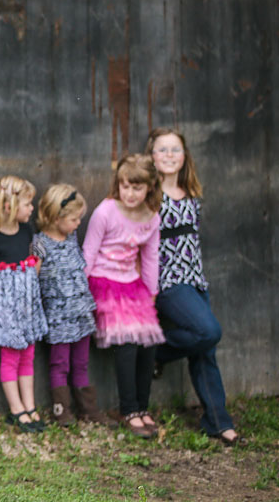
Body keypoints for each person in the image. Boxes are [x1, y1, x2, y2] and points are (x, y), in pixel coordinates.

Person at [145, 128, 240, 446]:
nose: (169, 155)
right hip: (167, 283)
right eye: (162, 150)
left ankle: (217, 422)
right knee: (208, 332)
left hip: (195, 280)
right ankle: (155, 351)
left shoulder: (191, 193)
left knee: (205, 350)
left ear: (185, 156)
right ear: (152, 156)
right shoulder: (148, 194)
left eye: (175, 150)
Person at [82, 154, 165, 438]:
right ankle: (128, 409)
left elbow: (150, 257)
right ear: (118, 184)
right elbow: (89, 252)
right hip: (103, 282)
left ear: (150, 188)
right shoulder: (106, 211)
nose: (130, 193)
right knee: (128, 343)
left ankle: (143, 407)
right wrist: (82, 293)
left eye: (137, 188)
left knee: (148, 343)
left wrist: (151, 293)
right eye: (125, 186)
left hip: (132, 284)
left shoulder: (152, 217)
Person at [32, 184, 113, 427]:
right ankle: (61, 409)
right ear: (57, 218)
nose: (79, 223)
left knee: (81, 362)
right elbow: (33, 281)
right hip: (58, 316)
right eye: (75, 219)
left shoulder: (71, 238)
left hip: (80, 313)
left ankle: (87, 409)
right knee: (60, 363)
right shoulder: (40, 245)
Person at [0, 175, 48, 433]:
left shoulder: (27, 231)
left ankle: (30, 406)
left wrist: (36, 263)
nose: (32, 209)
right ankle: (16, 409)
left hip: (27, 307)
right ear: (9, 206)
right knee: (10, 358)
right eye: (28, 204)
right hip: (6, 311)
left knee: (28, 354)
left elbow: (32, 266)